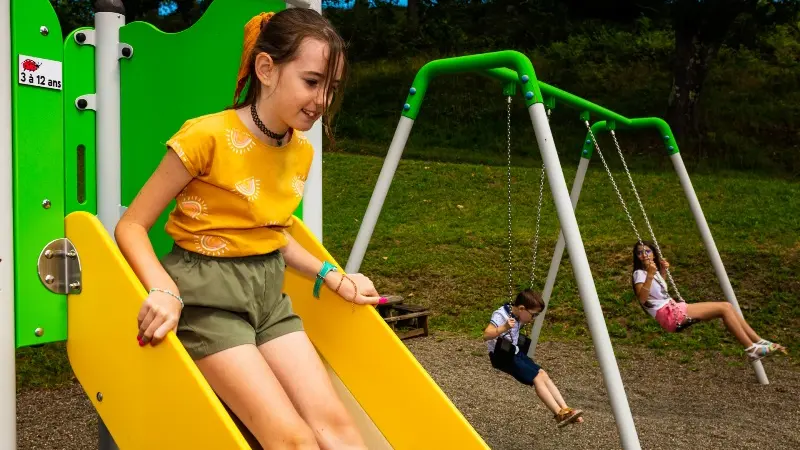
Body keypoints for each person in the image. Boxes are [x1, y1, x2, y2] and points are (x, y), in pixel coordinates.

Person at [115, 9, 385, 450]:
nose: (321, 100)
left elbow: (273, 232)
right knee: (291, 438)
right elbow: (132, 225)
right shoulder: (206, 137)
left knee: (338, 429)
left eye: (331, 88)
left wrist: (332, 276)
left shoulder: (300, 151)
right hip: (209, 300)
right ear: (266, 69)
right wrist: (162, 289)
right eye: (312, 81)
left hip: (268, 299)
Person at [631, 240, 787, 362]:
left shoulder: (652, 270)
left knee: (727, 306)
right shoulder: (639, 273)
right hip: (669, 314)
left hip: (672, 308)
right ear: (637, 256)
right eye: (640, 252)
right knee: (724, 309)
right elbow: (643, 299)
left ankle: (758, 341)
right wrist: (651, 274)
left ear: (653, 253)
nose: (644, 254)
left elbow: (658, 292)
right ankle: (751, 349)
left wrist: (662, 272)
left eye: (647, 251)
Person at [483, 289, 584, 427]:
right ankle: (558, 413)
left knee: (542, 373)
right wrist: (504, 327)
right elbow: (487, 335)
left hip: (514, 353)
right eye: (533, 315)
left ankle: (566, 409)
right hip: (501, 356)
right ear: (522, 308)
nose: (534, 318)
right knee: (536, 378)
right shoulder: (501, 314)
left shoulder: (518, 313)